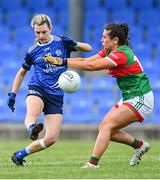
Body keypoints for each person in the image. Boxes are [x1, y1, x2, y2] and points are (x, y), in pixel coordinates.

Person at [44, 23, 154, 168]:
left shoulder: (122, 54)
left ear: (115, 40)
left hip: (141, 97)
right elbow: (86, 61)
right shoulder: (108, 51)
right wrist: (62, 62)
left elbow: (92, 67)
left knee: (107, 126)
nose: (101, 40)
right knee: (105, 128)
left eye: (104, 37)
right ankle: (139, 145)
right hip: (130, 97)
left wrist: (63, 62)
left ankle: (92, 164)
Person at [7, 14, 92, 166]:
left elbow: (88, 48)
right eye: (37, 33)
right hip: (38, 87)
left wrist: (74, 43)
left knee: (51, 138)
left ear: (50, 29)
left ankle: (19, 155)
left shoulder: (62, 42)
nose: (41, 36)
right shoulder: (32, 51)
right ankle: (33, 128)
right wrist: (12, 94)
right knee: (32, 113)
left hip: (56, 94)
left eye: (44, 32)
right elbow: (21, 73)